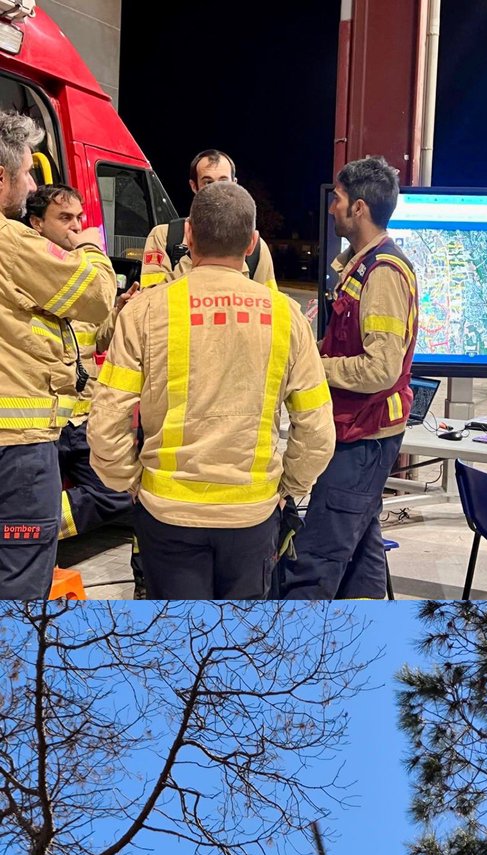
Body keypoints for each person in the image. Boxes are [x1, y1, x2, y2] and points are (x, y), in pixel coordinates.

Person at [87, 182, 335, 600]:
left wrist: (128, 480)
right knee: (240, 648)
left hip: (167, 513)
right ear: (253, 243)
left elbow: (106, 421)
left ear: (187, 237)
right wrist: (288, 489)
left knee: (180, 649)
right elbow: (317, 430)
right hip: (252, 514)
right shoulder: (287, 317)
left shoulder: (144, 311)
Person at [277, 155, 418, 600]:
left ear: (359, 207)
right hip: (358, 431)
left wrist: (314, 367)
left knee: (315, 557)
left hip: (366, 437)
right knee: (361, 551)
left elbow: (381, 368)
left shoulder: (383, 274)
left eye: (337, 199)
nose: (332, 208)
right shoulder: (360, 266)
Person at [0, 110, 116, 599]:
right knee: (21, 582)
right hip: (19, 445)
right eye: (27, 171)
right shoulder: (13, 243)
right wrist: (92, 249)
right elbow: (96, 294)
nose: (32, 183)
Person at [25, 184, 138, 541]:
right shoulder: (25, 268)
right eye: (64, 218)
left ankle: (42, 526)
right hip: (41, 421)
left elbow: (98, 337)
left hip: (83, 418)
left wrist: (120, 311)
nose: (76, 226)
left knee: (120, 492)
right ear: (36, 223)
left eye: (79, 218)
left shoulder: (83, 274)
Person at [139, 149, 275, 289]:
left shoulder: (256, 247)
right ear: (194, 186)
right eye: (208, 182)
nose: (217, 190)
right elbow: (150, 298)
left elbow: (268, 303)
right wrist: (193, 252)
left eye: (223, 181)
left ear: (234, 184)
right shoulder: (164, 236)